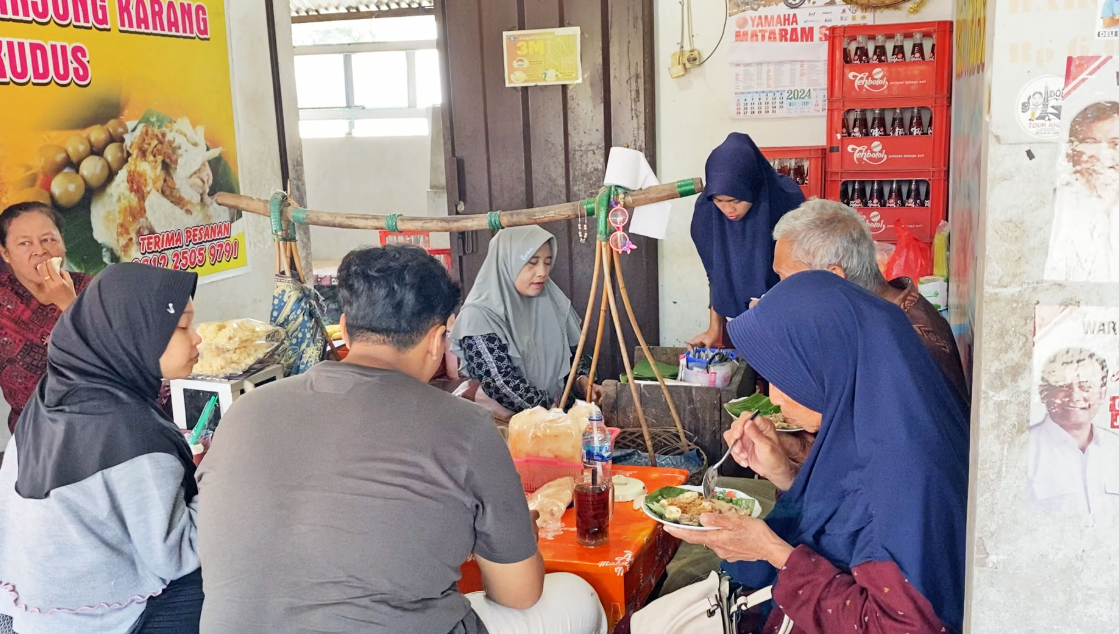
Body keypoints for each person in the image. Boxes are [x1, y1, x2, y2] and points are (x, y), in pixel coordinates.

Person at [197, 245, 606, 634]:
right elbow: (518, 594)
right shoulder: (465, 427)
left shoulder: (242, 413)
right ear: (438, 340)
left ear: (345, 329)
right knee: (579, 596)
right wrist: (522, 536)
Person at [664, 272, 969, 634]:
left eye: (787, 377)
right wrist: (786, 474)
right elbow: (851, 519)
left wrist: (772, 551)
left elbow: (902, 627)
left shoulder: (907, 474)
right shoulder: (883, 416)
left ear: (831, 367)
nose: (774, 399)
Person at [0, 263, 203, 634]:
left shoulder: (51, 398)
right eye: (183, 326)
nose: (198, 338)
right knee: (232, 565)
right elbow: (177, 555)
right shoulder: (130, 434)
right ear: (135, 333)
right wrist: (219, 477)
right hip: (101, 620)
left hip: (32, 612)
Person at [770, 199, 970, 404]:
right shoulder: (879, 315)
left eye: (785, 279)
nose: (780, 292)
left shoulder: (898, 342)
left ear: (833, 277)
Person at [451, 226, 596, 418]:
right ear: (507, 262)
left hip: (555, 420)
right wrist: (552, 409)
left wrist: (581, 381)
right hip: (501, 425)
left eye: (547, 262)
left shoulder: (553, 302)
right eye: (532, 263)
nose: (542, 272)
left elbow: (571, 357)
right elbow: (500, 383)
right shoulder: (478, 316)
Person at [687, 133, 805, 349]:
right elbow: (716, 273)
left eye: (736, 200)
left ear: (752, 186)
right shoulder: (707, 211)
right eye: (719, 200)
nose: (728, 209)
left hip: (787, 320)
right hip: (740, 324)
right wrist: (715, 329)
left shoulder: (786, 200)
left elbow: (800, 274)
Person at [0, 202, 91, 437]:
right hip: (34, 435)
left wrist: (68, 304)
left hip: (98, 424)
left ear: (63, 242)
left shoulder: (93, 288)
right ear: (5, 253)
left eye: (48, 239)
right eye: (24, 243)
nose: (40, 251)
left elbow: (115, 359)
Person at [1027, 347, 1119, 514]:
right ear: (1043, 392)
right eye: (1063, 386)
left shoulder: (1115, 448)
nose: (1075, 396)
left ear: (1102, 394)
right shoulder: (1021, 451)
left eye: (1086, 386)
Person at [1044, 101, 1119, 281]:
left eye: (1115, 143)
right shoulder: (1049, 208)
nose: (1102, 155)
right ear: (1070, 152)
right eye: (1090, 143)